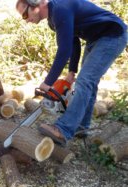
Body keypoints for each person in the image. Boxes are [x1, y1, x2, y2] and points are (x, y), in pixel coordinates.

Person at [16, 0, 127, 146]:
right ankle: (81, 127)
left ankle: (63, 130)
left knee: (85, 81)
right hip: (94, 39)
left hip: (112, 35)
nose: (27, 20)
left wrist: (48, 82)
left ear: (37, 4)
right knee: (89, 83)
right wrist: (71, 72)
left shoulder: (60, 8)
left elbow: (64, 50)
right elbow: (73, 42)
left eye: (25, 14)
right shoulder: (52, 20)